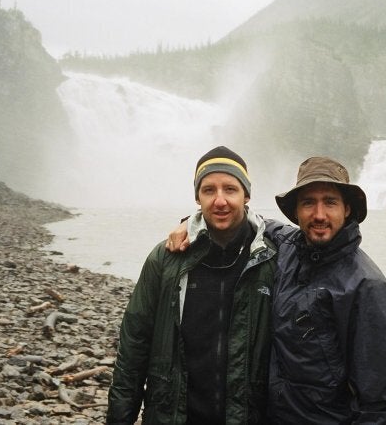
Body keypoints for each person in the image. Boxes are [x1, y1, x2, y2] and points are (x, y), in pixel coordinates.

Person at [168, 156, 386, 424]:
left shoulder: (367, 287)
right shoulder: (288, 246)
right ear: (296, 212)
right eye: (308, 203)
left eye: (330, 202)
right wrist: (194, 221)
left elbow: (385, 404)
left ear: (347, 209)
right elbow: (248, 220)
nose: (319, 215)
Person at [107, 146, 277, 425]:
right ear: (197, 197)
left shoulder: (271, 259)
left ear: (247, 195)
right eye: (209, 190)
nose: (220, 201)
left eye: (230, 189)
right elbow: (134, 348)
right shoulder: (166, 259)